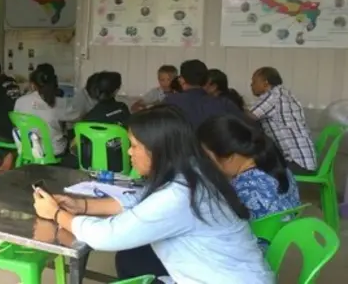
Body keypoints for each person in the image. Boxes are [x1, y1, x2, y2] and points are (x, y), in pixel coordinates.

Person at [32, 105, 273, 283]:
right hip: (237, 273)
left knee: (131, 255)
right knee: (133, 257)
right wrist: (81, 206)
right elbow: (141, 200)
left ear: (157, 149)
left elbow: (106, 236)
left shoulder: (179, 196)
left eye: (134, 146)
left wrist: (56, 215)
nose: (128, 153)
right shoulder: (194, 170)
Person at [198, 115, 301, 245]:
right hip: (287, 243)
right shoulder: (279, 167)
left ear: (229, 157)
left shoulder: (243, 188)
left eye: (208, 157)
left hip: (261, 252)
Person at [249, 67, 317, 173]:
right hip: (302, 161)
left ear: (265, 83)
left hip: (295, 162)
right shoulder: (283, 93)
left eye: (254, 81)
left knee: (252, 171)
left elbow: (249, 117)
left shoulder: (274, 96)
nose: (251, 85)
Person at [13, 66, 78, 166]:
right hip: (54, 152)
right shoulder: (62, 103)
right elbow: (76, 119)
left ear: (33, 85)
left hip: (29, 151)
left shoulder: (20, 101)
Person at [164, 59, 243, 128]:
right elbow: (247, 130)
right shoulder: (224, 104)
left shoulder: (170, 102)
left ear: (181, 80)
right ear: (206, 80)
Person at [78, 71, 131, 172]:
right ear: (116, 91)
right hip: (119, 167)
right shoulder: (122, 108)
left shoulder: (88, 117)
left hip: (92, 168)